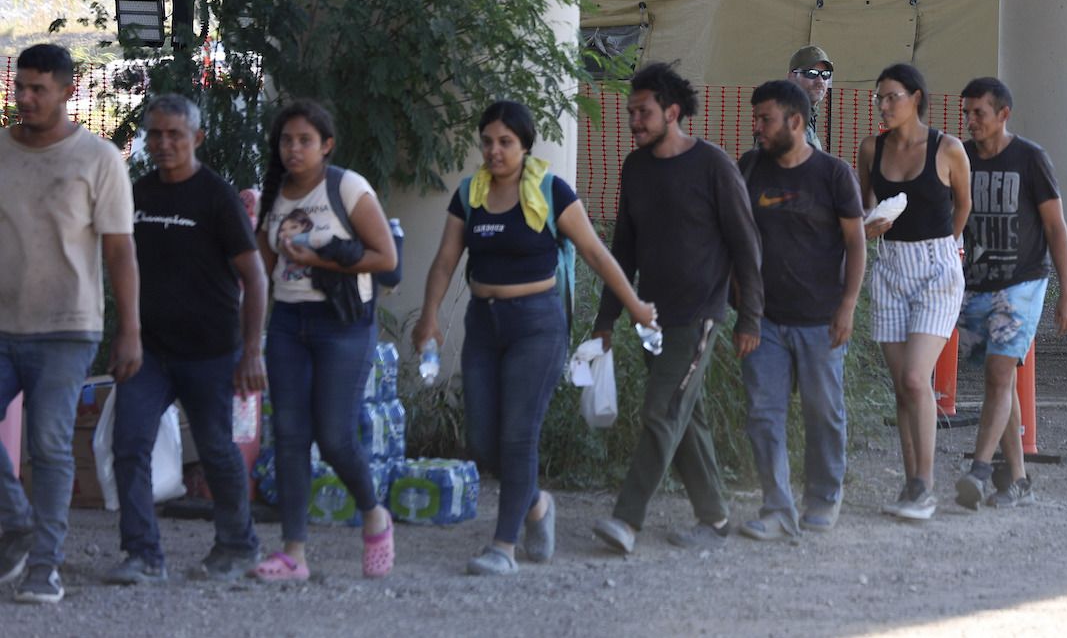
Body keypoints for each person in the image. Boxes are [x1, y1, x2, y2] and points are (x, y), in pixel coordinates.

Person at [413, 101, 656, 574]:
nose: (494, 151)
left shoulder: (551, 190)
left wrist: (636, 305)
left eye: (505, 142)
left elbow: (596, 253)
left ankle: (503, 547)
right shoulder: (470, 194)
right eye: (487, 142)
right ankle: (537, 506)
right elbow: (445, 261)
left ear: (525, 145)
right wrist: (429, 316)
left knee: (519, 435)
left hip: (537, 326)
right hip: (484, 326)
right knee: (484, 440)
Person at [590, 65, 764, 554]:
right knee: (685, 416)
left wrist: (750, 316)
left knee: (661, 409)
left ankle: (626, 520)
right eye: (630, 113)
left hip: (699, 315)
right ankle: (715, 517)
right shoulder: (634, 167)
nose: (634, 122)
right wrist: (607, 319)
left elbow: (746, 245)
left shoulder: (713, 165)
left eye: (643, 112)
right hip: (651, 316)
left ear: (672, 112)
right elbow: (621, 251)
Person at [0, 43, 139, 605]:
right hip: (3, 323)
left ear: (67, 90)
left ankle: (45, 566)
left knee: (51, 444)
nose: (26, 98)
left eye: (39, 88)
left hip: (66, 326)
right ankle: (17, 521)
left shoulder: (98, 159)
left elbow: (121, 251)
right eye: (20, 86)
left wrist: (129, 329)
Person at [109, 95, 265, 586]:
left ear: (196, 138)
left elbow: (256, 278)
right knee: (129, 443)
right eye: (155, 134)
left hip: (212, 352)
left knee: (218, 450)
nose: (163, 143)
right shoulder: (138, 193)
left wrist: (251, 350)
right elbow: (119, 263)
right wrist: (126, 333)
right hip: (149, 350)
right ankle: (143, 554)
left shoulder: (216, 197)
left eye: (174, 134)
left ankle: (237, 545)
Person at [252, 100, 399, 584]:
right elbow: (262, 272)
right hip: (289, 322)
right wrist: (250, 337)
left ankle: (374, 515)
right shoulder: (273, 193)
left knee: (335, 435)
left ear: (326, 145)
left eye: (305, 140)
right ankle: (293, 552)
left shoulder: (346, 187)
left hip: (343, 322)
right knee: (290, 436)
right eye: (286, 140)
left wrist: (319, 263)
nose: (294, 149)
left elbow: (384, 257)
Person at [734, 80, 865, 538]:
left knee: (823, 413)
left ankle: (825, 497)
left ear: (795, 121)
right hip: (764, 320)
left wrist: (847, 305)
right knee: (763, 415)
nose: (757, 128)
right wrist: (743, 312)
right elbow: (734, 239)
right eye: (755, 118)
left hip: (820, 320)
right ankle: (776, 508)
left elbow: (856, 242)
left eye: (765, 119)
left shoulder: (833, 174)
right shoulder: (748, 168)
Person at [954, 77, 1067, 511]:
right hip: (975, 282)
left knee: (1001, 374)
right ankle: (1019, 479)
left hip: (1023, 281)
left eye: (979, 113)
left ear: (1003, 114)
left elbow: (1055, 227)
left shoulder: (1030, 159)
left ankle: (980, 470)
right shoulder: (961, 158)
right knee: (996, 380)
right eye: (966, 112)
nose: (970, 122)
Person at [857, 63, 971, 522]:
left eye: (891, 97)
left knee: (913, 378)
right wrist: (870, 226)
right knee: (902, 386)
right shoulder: (871, 147)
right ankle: (911, 483)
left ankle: (924, 485)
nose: (884, 106)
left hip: (937, 267)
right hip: (889, 265)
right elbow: (863, 204)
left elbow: (962, 203)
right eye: (879, 98)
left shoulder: (948, 148)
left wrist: (949, 246)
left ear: (916, 97)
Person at [787, 46, 836, 151]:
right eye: (812, 74)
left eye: (825, 74)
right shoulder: (784, 121)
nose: (820, 81)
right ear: (792, 77)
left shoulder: (807, 115)